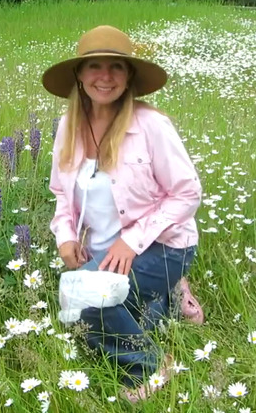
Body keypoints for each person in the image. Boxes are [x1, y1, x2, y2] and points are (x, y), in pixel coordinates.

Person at [43, 25, 204, 402]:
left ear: (129, 76)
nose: (105, 76)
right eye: (94, 66)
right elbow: (60, 193)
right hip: (102, 251)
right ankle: (165, 301)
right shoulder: (69, 126)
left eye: (116, 67)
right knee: (85, 309)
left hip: (163, 246)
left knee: (87, 300)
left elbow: (187, 193)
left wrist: (131, 241)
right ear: (79, 76)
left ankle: (149, 365)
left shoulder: (151, 125)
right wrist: (65, 235)